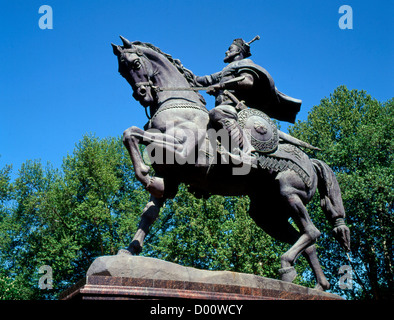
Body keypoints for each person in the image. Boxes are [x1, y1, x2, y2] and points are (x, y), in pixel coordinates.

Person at [195, 36, 302, 160]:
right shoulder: (224, 71)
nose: (226, 51)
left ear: (238, 51)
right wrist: (180, 69)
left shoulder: (245, 63)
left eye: (230, 49)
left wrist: (220, 86)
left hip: (234, 109)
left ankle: (245, 152)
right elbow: (202, 80)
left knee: (217, 112)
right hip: (222, 109)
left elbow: (248, 81)